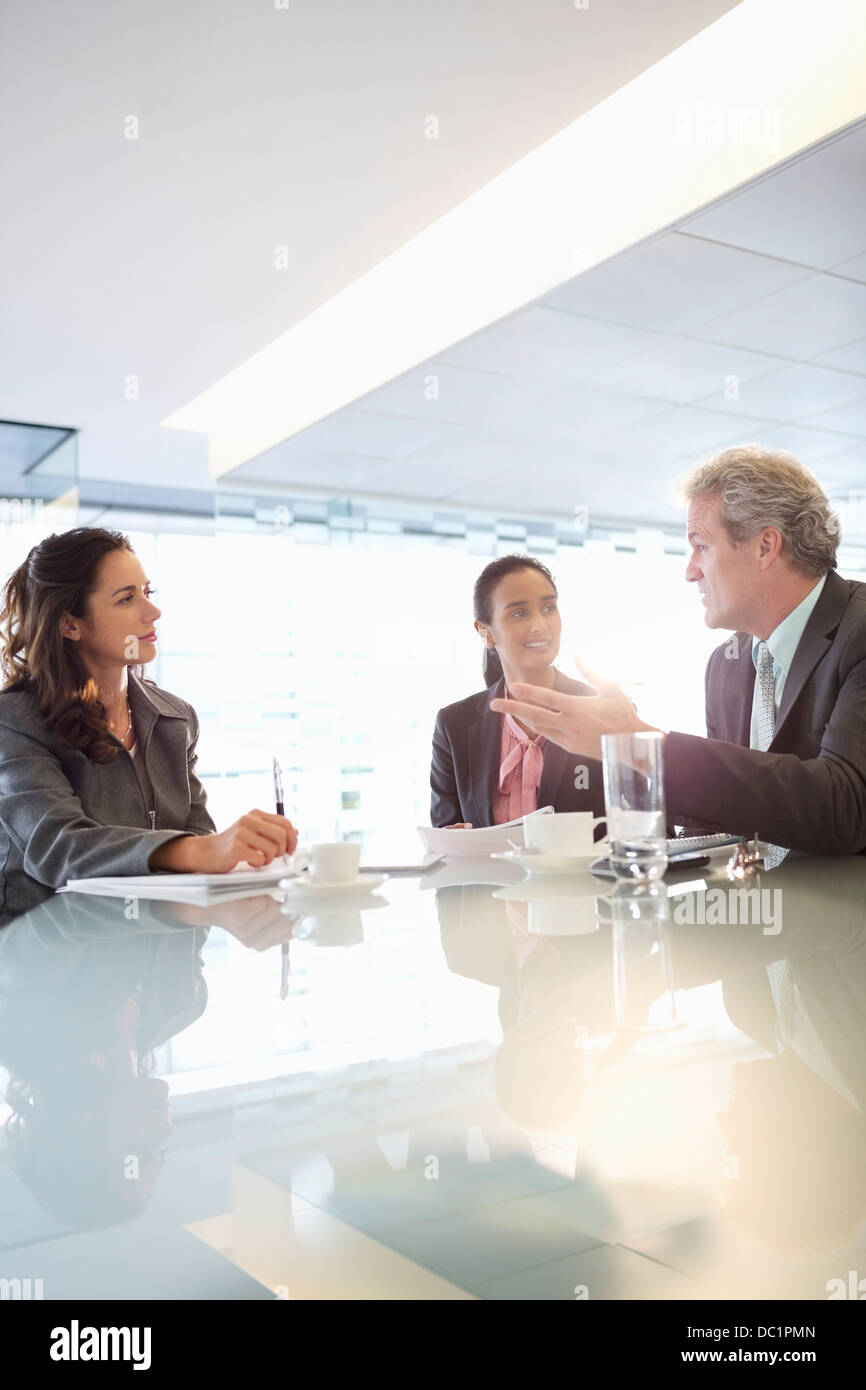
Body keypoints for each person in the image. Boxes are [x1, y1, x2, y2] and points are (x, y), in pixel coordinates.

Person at [491, 445, 866, 856]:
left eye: (701, 546)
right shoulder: (727, 666)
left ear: (765, 546)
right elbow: (734, 812)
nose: (690, 570)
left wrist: (643, 743)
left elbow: (846, 808)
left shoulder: (858, 633)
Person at [0, 527, 298, 924]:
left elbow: (197, 854)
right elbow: (58, 848)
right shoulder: (15, 721)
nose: (152, 612)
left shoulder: (176, 720)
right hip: (48, 962)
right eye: (126, 598)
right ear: (70, 624)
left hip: (158, 960)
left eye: (147, 592)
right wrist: (202, 851)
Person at [430, 553, 605, 828]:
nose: (540, 625)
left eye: (548, 608)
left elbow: (647, 823)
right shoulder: (455, 725)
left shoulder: (602, 710)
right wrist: (454, 843)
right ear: (486, 632)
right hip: (490, 873)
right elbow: (445, 835)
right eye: (519, 613)